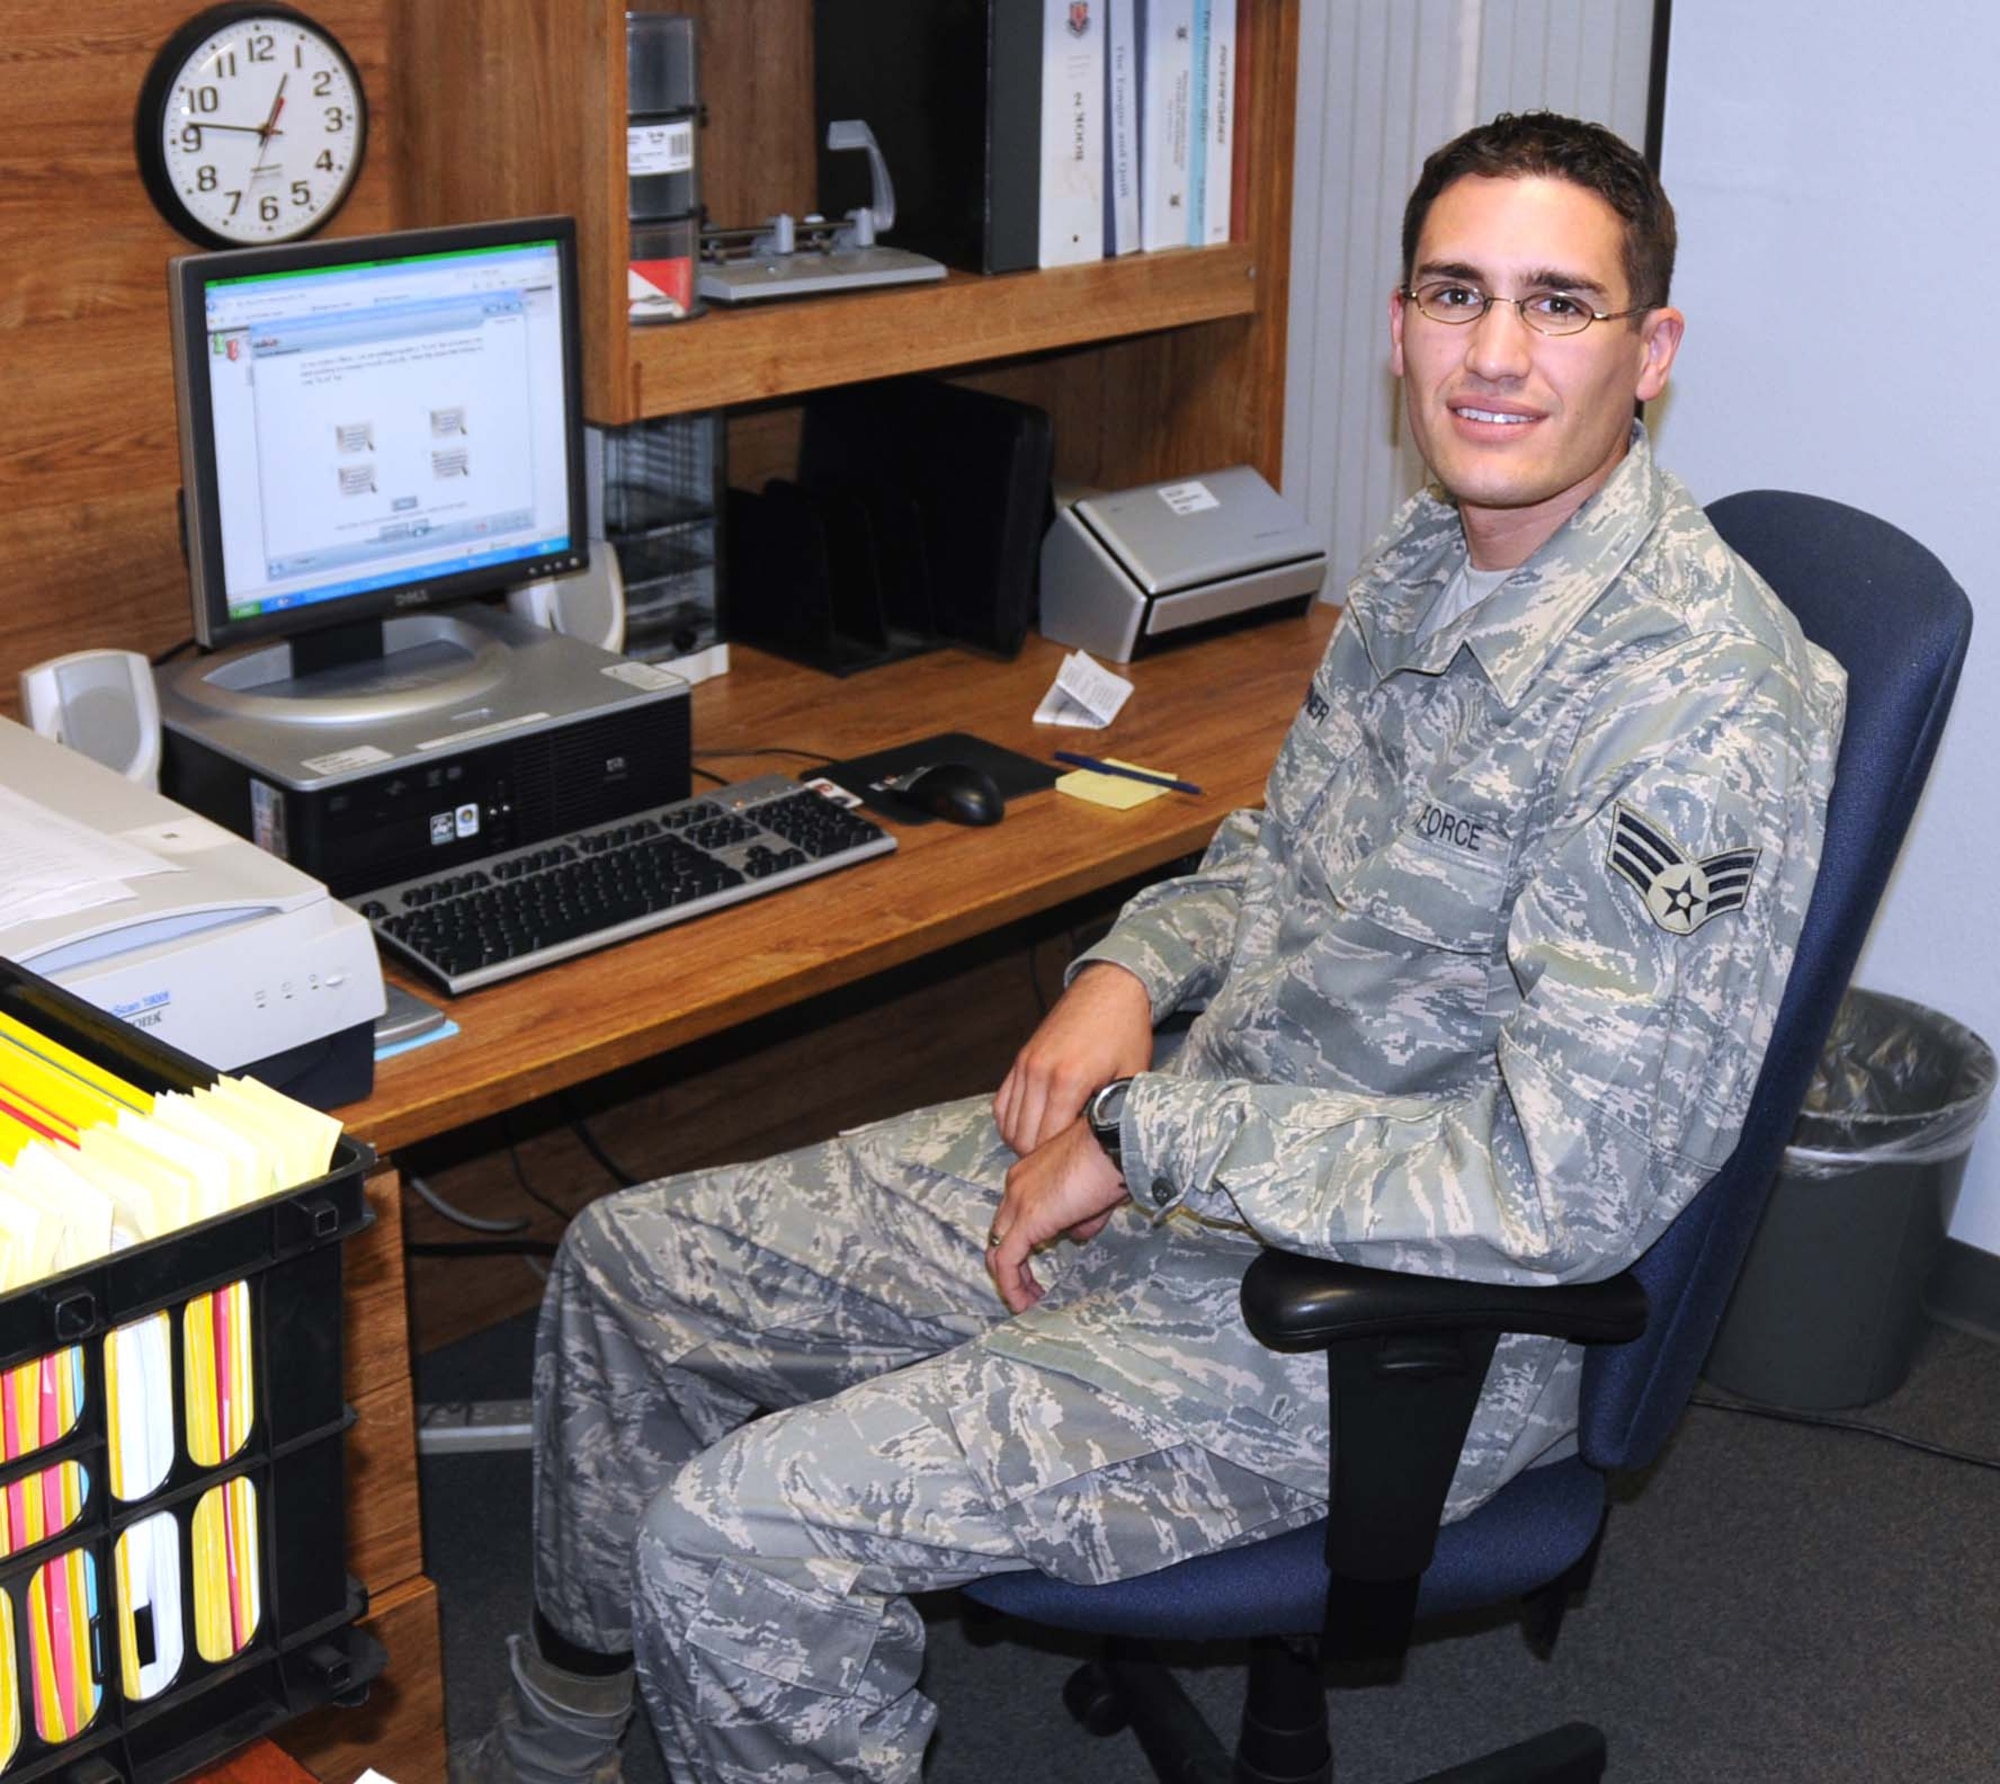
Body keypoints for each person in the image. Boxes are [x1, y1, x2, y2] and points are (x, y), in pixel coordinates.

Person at [456, 111, 1846, 1784]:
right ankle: (564, 1737)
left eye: (1559, 305)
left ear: (1652, 349)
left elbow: (1565, 1192)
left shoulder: (1693, 711)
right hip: (1207, 1154)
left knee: (742, 1538)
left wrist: (1147, 1132)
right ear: (1398, 321)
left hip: (1385, 1324)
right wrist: (1128, 969)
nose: (1493, 354)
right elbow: (1282, 849)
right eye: (1453, 293)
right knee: (628, 1263)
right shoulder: (1441, 548)